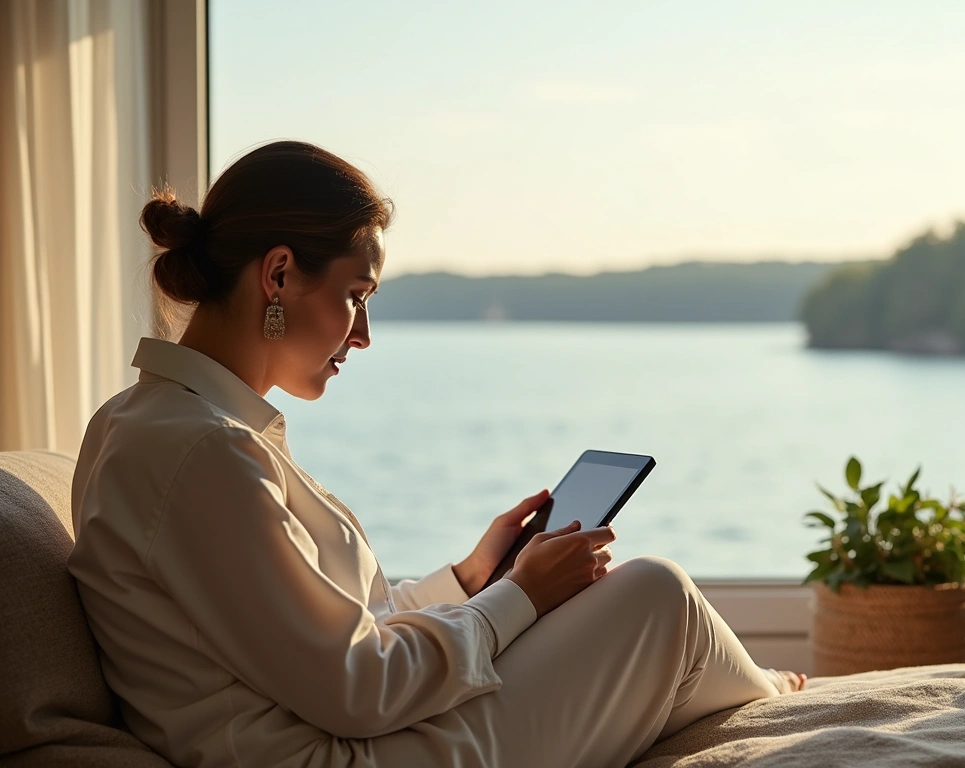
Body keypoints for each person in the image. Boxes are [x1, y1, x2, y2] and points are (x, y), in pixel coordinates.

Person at [67, 140, 805, 768]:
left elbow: (335, 638)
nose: (362, 335)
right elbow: (358, 687)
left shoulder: (160, 426)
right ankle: (771, 704)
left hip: (349, 733)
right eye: (356, 295)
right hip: (353, 756)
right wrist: (519, 598)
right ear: (280, 273)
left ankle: (756, 696)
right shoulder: (198, 453)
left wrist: (470, 578)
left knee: (645, 608)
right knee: (657, 595)